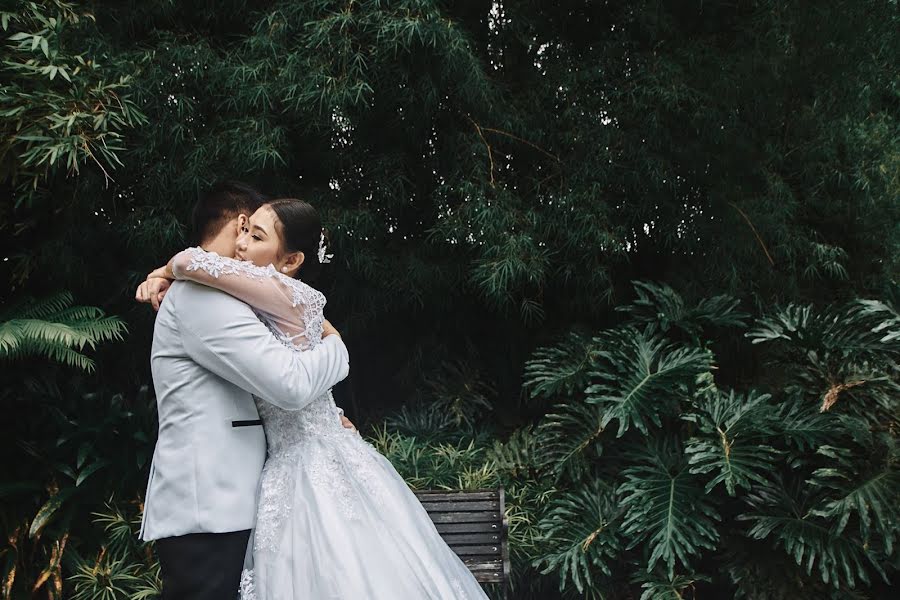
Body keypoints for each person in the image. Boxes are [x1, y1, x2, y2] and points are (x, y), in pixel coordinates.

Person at [142, 198, 490, 599]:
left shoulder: (288, 294)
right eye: (243, 231)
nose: (241, 245)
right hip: (278, 475)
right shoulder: (245, 301)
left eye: (255, 236)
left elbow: (191, 262)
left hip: (311, 465)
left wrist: (338, 348)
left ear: (290, 261)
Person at [136, 182, 353, 600]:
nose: (250, 246)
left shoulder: (237, 297)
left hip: (232, 503)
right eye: (252, 231)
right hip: (210, 508)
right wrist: (338, 348)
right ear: (240, 223)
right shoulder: (202, 295)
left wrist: (324, 419)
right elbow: (288, 383)